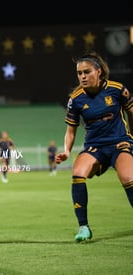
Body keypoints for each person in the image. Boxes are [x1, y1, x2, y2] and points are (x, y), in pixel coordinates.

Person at [55, 50, 133, 242]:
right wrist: (66, 151)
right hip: (95, 147)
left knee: (128, 177)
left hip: (119, 143)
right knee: (78, 174)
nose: (82, 76)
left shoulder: (117, 89)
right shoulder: (76, 99)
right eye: (79, 73)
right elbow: (71, 131)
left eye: (86, 72)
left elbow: (132, 112)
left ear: (98, 72)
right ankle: (84, 228)